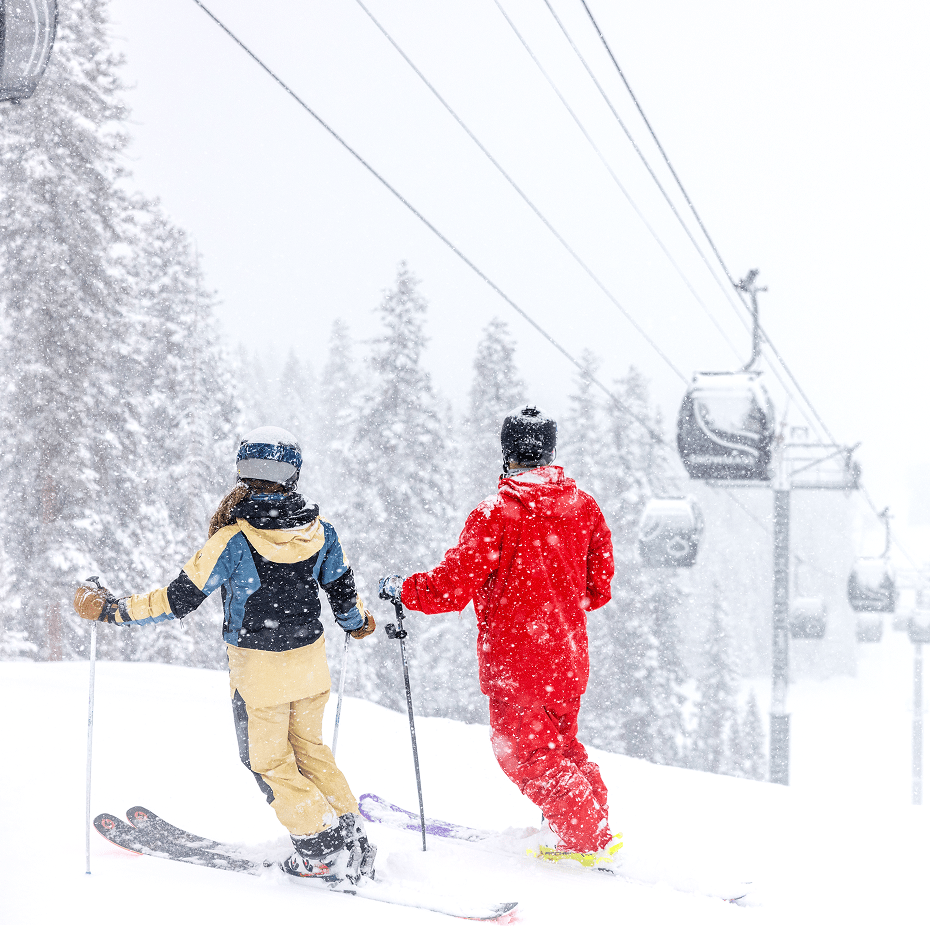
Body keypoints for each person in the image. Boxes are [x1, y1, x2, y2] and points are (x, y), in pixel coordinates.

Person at [73, 426, 377, 885]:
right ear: (293, 475)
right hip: (312, 667)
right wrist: (358, 624)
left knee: (268, 762)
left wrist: (113, 611)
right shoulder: (321, 533)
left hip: (259, 672)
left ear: (242, 472)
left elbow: (178, 600)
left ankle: (320, 850)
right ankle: (350, 835)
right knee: (311, 750)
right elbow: (343, 592)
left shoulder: (234, 540)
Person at [379, 405, 620, 865]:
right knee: (561, 748)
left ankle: (585, 838)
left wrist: (403, 589)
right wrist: (559, 604)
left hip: (517, 664)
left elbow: (449, 589)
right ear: (550, 451)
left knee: (524, 755)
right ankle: (590, 825)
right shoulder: (583, 507)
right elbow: (599, 587)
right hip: (566, 659)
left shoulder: (497, 515)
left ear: (507, 453)